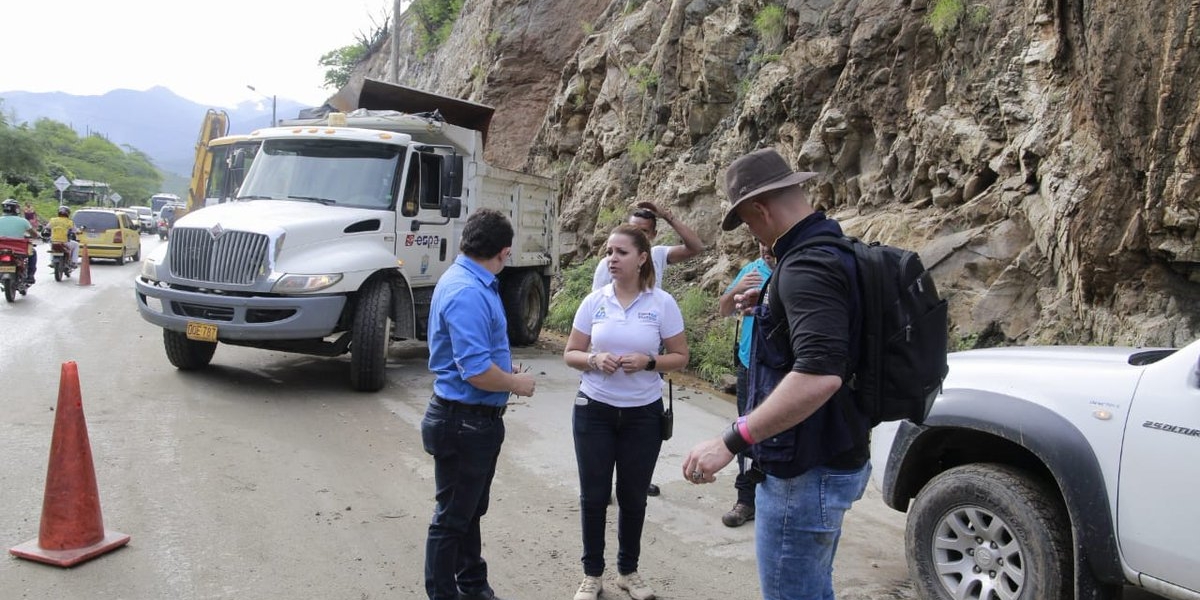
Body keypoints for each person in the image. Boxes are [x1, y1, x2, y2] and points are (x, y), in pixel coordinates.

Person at [682, 148, 872, 600]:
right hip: (835, 451)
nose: (751, 230)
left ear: (759, 209)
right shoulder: (836, 250)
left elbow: (820, 374)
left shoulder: (806, 266)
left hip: (805, 470)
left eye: (746, 221)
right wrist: (767, 305)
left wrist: (731, 440)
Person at [564, 223, 689, 600]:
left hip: (642, 416)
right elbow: (570, 353)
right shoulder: (594, 301)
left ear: (641, 258)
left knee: (633, 496)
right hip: (594, 410)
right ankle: (592, 575)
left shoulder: (661, 303)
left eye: (620, 252)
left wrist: (650, 362)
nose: (612, 259)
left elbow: (680, 357)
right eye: (608, 252)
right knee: (594, 494)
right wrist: (593, 358)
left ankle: (628, 572)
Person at [422, 208, 537, 600]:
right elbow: (475, 372)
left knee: (467, 513)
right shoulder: (469, 291)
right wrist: (515, 383)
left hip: (469, 420)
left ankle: (472, 586)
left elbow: (477, 358)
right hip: (464, 422)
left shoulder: (467, 280)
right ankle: (443, 594)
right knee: (452, 520)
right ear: (505, 252)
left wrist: (503, 369)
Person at [591, 201, 702, 497]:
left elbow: (695, 246)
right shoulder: (608, 266)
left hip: (649, 344)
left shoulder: (660, 257)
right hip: (613, 351)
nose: (634, 233)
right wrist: (596, 355)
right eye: (629, 228)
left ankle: (636, 474)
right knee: (609, 415)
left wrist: (668, 215)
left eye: (641, 231)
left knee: (643, 413)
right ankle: (607, 477)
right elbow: (596, 308)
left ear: (650, 238)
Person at [715, 241, 775, 528]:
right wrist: (737, 290)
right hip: (749, 366)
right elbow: (724, 308)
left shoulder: (795, 268)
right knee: (746, 432)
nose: (766, 249)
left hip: (783, 370)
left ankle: (775, 500)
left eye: (771, 244)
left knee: (782, 433)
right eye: (762, 243)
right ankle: (745, 500)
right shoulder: (752, 270)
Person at [591, 201, 703, 290]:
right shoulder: (609, 263)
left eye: (644, 231)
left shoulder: (658, 255)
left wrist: (667, 216)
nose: (638, 234)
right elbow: (597, 303)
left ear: (654, 234)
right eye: (633, 229)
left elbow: (696, 248)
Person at [0, 199, 38, 283]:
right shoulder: (23, 221)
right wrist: (38, 236)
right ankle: (30, 275)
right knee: (33, 252)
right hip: (19, 250)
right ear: (16, 209)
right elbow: (34, 235)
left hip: (1, 249)